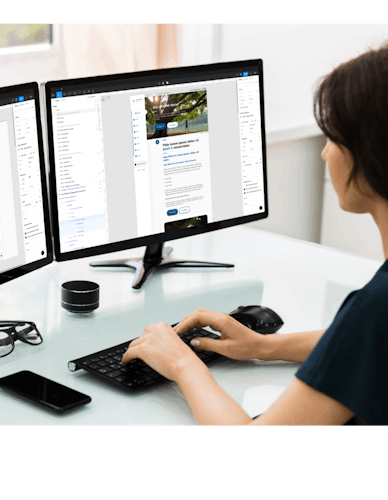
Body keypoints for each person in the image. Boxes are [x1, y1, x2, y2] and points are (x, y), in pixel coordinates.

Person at [122, 44, 388, 425]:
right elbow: (365, 347)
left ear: (372, 155)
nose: (326, 154)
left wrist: (182, 363)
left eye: (333, 138)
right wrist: (263, 347)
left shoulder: (375, 308)